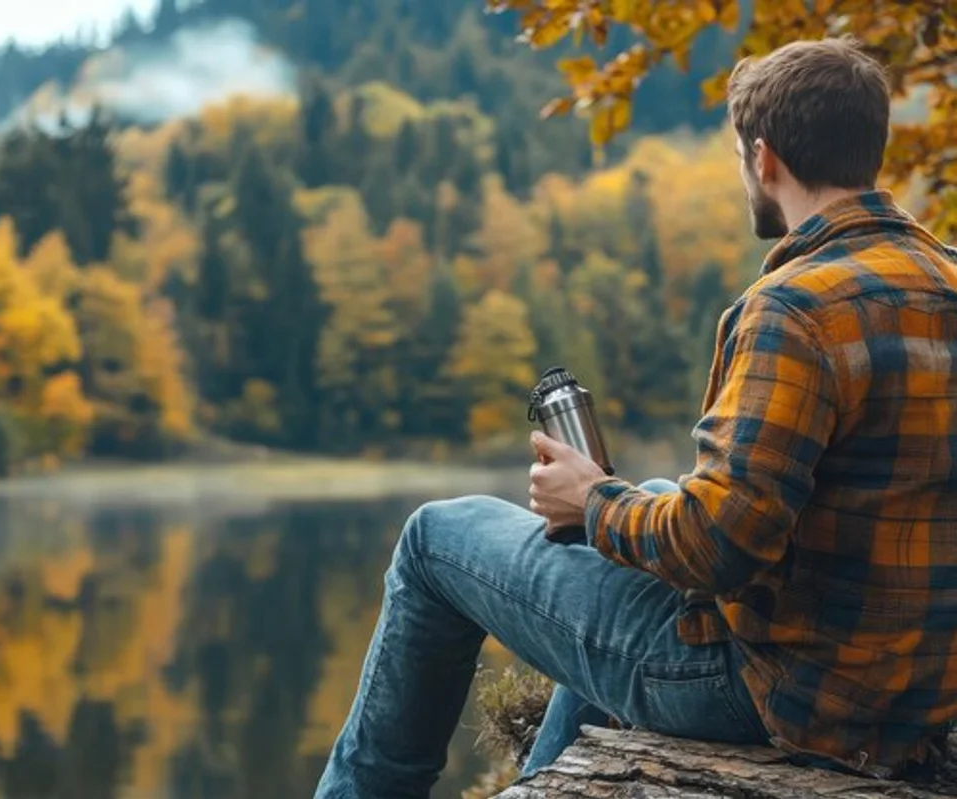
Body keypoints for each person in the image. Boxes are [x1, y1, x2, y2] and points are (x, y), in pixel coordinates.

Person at [312, 35, 957, 799]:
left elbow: (722, 545)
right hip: (908, 700)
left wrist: (589, 499)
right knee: (650, 493)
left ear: (765, 157)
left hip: (776, 697)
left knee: (434, 538)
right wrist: (623, 505)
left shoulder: (795, 309)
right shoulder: (943, 277)